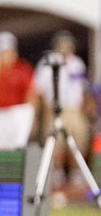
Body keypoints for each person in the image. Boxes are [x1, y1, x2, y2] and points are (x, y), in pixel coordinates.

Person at [35, 31, 92, 187]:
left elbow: (83, 89)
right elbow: (39, 90)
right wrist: (43, 111)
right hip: (53, 109)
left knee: (79, 139)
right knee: (55, 142)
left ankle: (75, 172)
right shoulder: (47, 63)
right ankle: (57, 173)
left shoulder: (77, 63)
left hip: (73, 109)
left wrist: (84, 109)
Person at [0, 31, 35, 150]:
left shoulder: (22, 68)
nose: (5, 56)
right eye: (1, 53)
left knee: (16, 145)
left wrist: (33, 121)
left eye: (8, 52)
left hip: (16, 113)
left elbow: (30, 95)